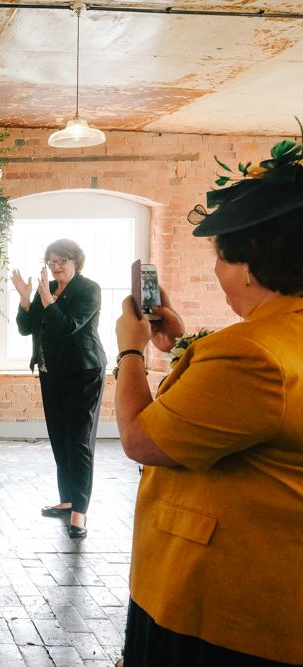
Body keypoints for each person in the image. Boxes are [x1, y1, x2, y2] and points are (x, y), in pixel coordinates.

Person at [114, 138, 303, 666]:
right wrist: (181, 343)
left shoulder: (250, 353)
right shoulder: (274, 338)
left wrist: (129, 347)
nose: (218, 274)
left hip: (222, 601)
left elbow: (141, 439)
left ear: (248, 263)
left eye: (219, 258)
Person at [11, 239, 106, 538]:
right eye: (52, 260)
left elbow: (69, 326)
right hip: (50, 372)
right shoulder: (46, 288)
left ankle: (80, 511)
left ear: (76, 261)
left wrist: (48, 302)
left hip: (82, 372)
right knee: (59, 437)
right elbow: (27, 328)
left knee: (78, 440)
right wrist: (27, 299)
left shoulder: (89, 289)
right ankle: (67, 500)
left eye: (62, 260)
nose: (56, 265)